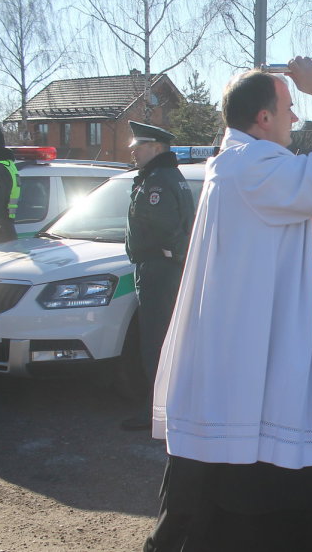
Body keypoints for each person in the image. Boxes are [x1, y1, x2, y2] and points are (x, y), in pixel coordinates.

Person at [145, 58, 312, 551]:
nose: (295, 120)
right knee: (257, 468)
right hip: (250, 358)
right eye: (288, 109)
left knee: (221, 471)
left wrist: (301, 242)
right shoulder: (255, 166)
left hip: (236, 349)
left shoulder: (236, 165)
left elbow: (252, 244)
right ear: (262, 119)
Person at [121, 121, 196, 431]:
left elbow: (166, 229)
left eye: (139, 146)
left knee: (156, 340)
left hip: (158, 269)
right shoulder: (168, 176)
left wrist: (173, 257)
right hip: (164, 267)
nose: (134, 152)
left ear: (157, 147)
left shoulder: (157, 181)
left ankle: (158, 410)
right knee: (163, 338)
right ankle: (167, 405)